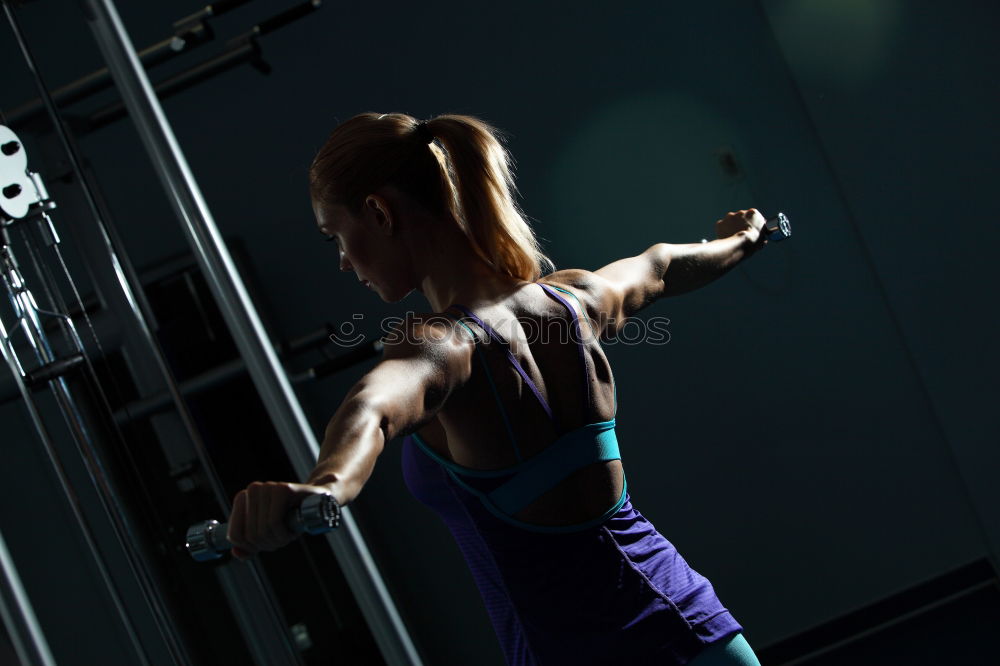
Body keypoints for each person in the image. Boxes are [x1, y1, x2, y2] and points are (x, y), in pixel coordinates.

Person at [225, 112, 764, 666]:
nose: (342, 260)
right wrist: (746, 238)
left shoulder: (440, 345)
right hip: (698, 628)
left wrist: (328, 487)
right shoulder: (573, 301)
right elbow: (664, 266)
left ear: (379, 211)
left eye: (335, 234)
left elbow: (375, 408)